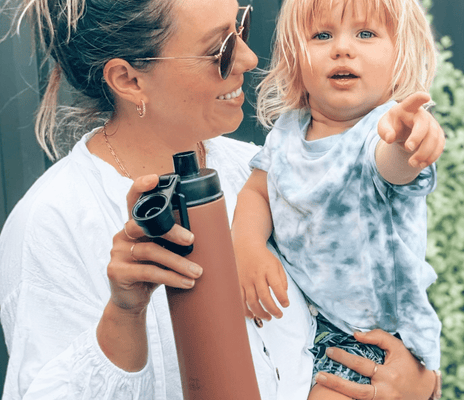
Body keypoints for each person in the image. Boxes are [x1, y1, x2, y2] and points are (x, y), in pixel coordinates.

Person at [0, 0, 440, 399]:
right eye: (221, 49)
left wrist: (417, 386)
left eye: (241, 27)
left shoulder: (257, 171)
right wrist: (123, 314)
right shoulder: (54, 220)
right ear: (129, 79)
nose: (250, 58)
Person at [231, 0, 445, 399]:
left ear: (400, 54)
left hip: (367, 337)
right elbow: (258, 191)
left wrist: (406, 138)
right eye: (322, 35)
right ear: (296, 59)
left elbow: (393, 167)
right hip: (306, 326)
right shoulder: (287, 133)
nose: (342, 48)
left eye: (366, 34)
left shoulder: (377, 134)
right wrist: (246, 245)